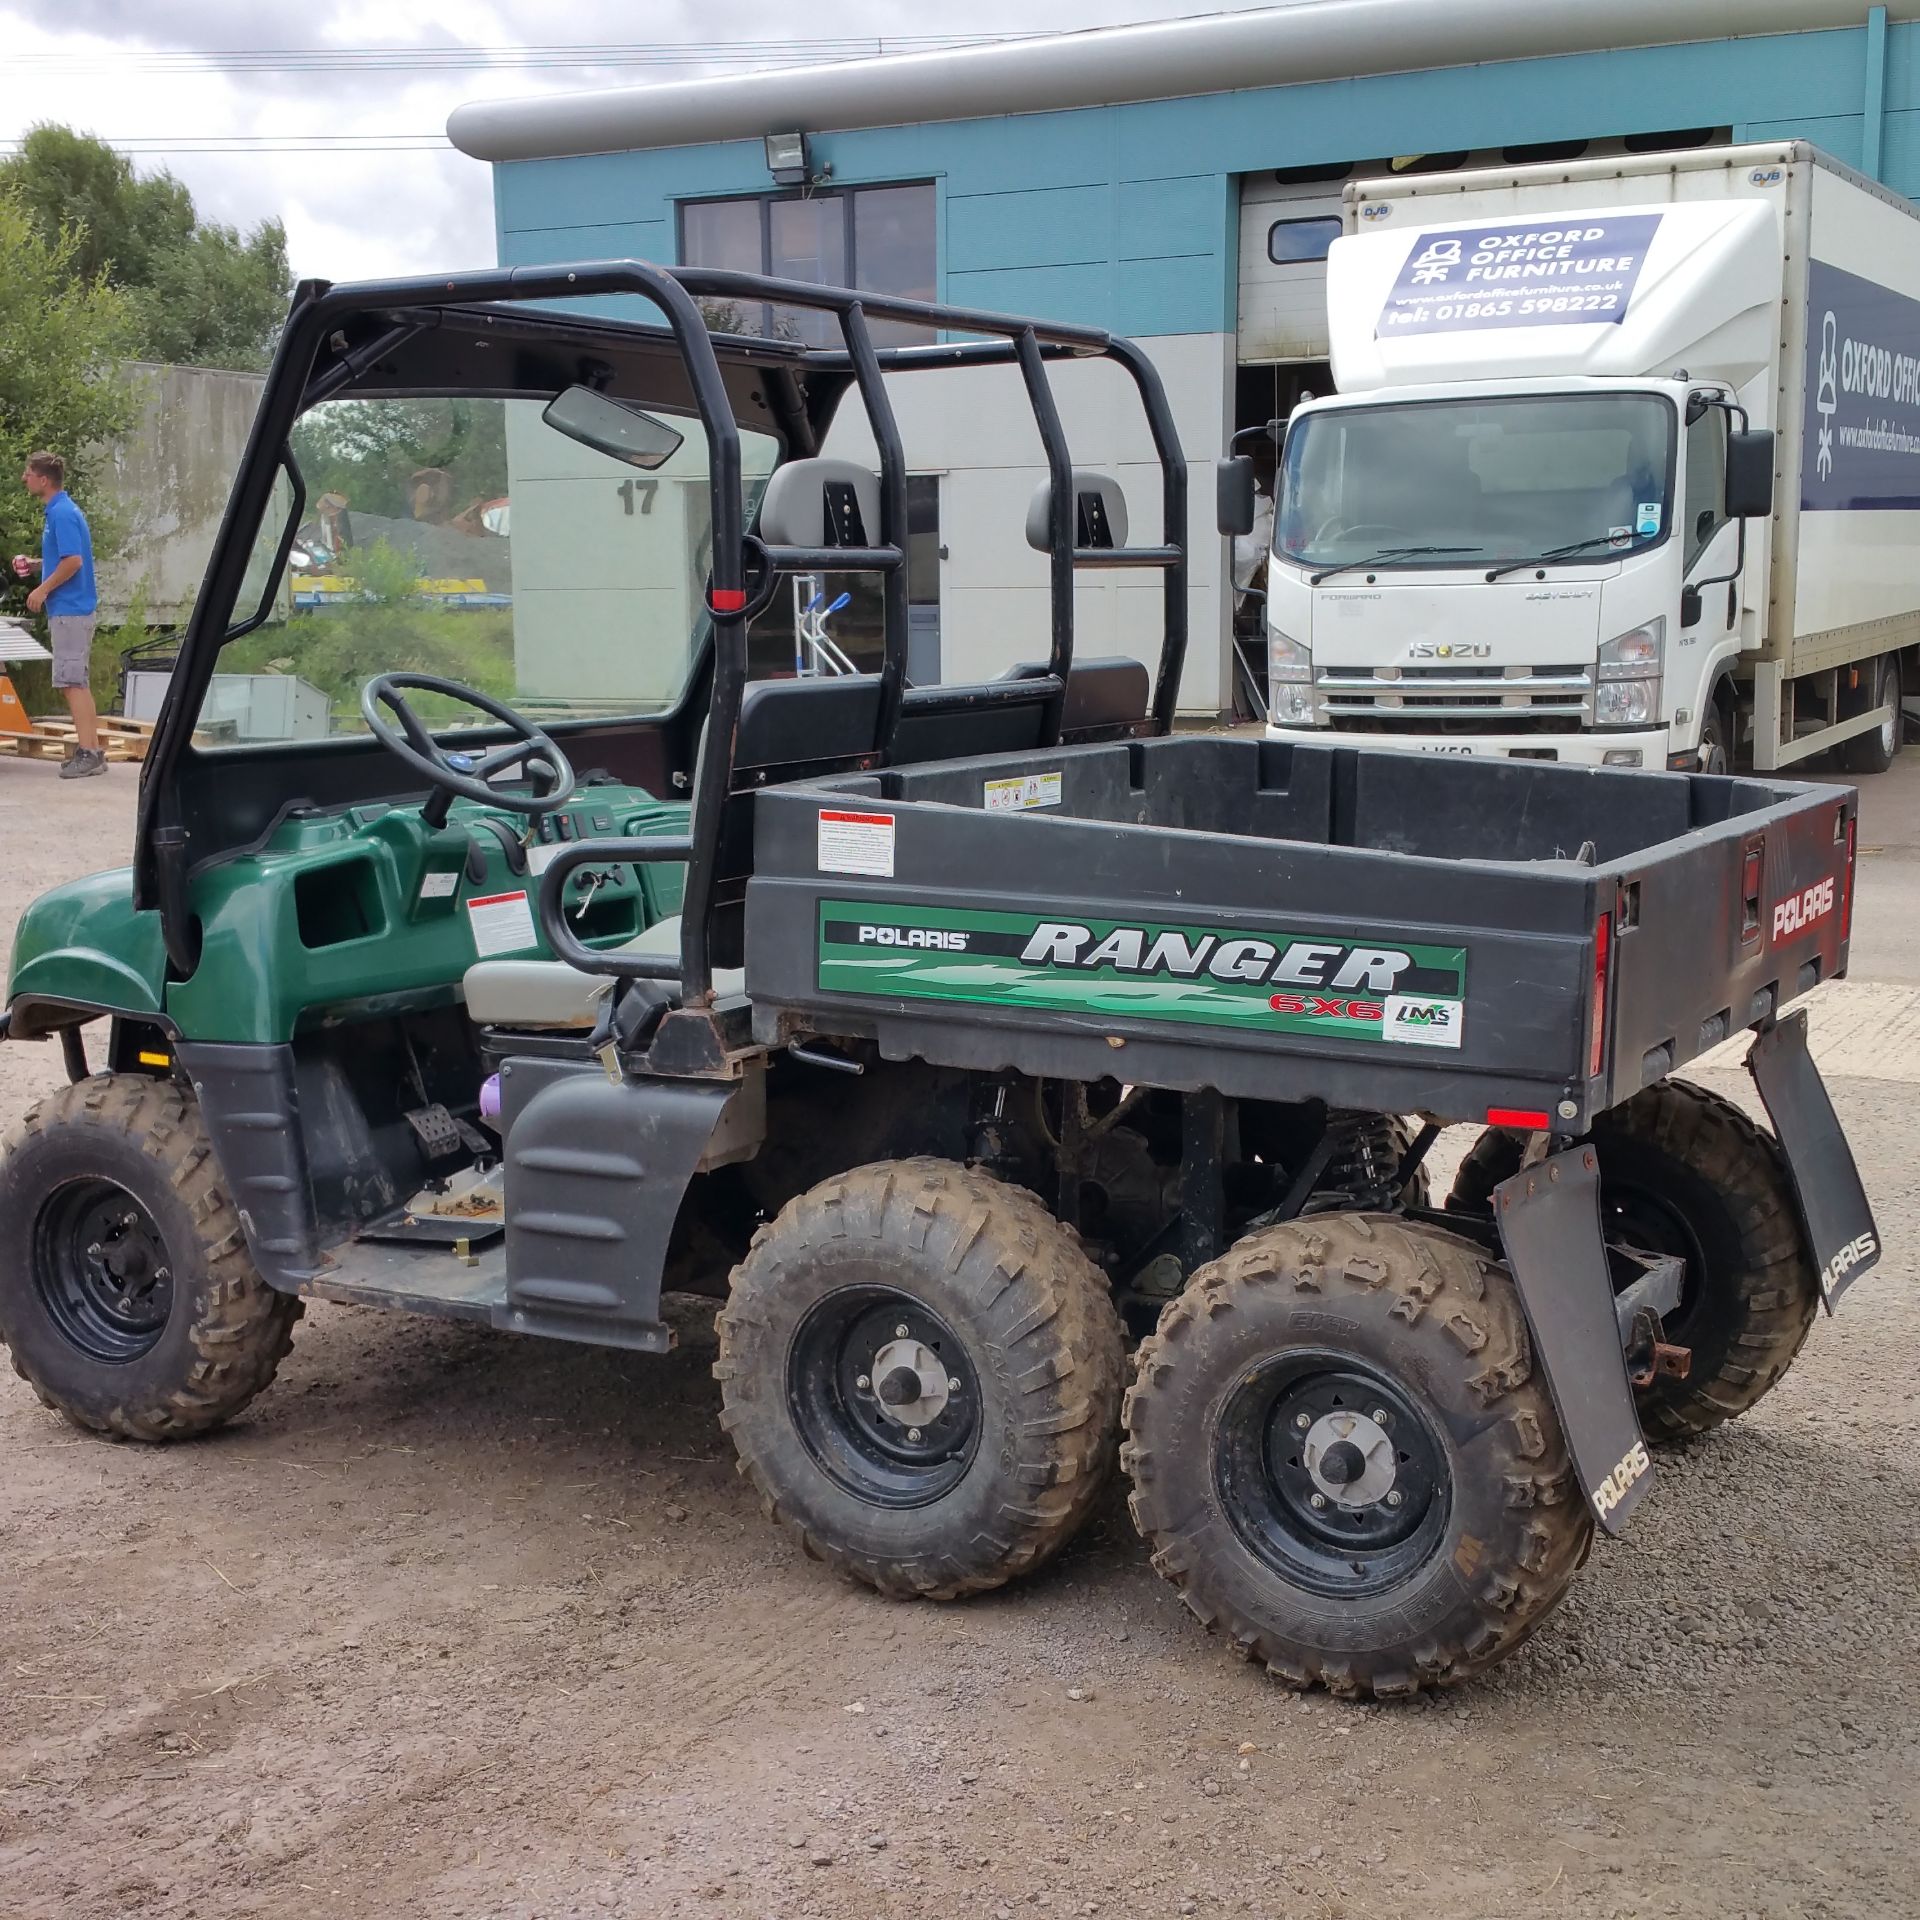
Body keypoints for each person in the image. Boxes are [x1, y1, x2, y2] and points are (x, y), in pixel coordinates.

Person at [13, 452, 105, 777]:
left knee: (71, 683)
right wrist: (36, 564)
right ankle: (93, 751)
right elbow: (65, 556)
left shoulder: (62, 513)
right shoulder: (60, 511)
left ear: (43, 480)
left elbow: (74, 562)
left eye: (28, 472)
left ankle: (88, 753)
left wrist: (42, 590)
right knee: (77, 681)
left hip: (70, 610)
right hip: (74, 609)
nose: (24, 477)